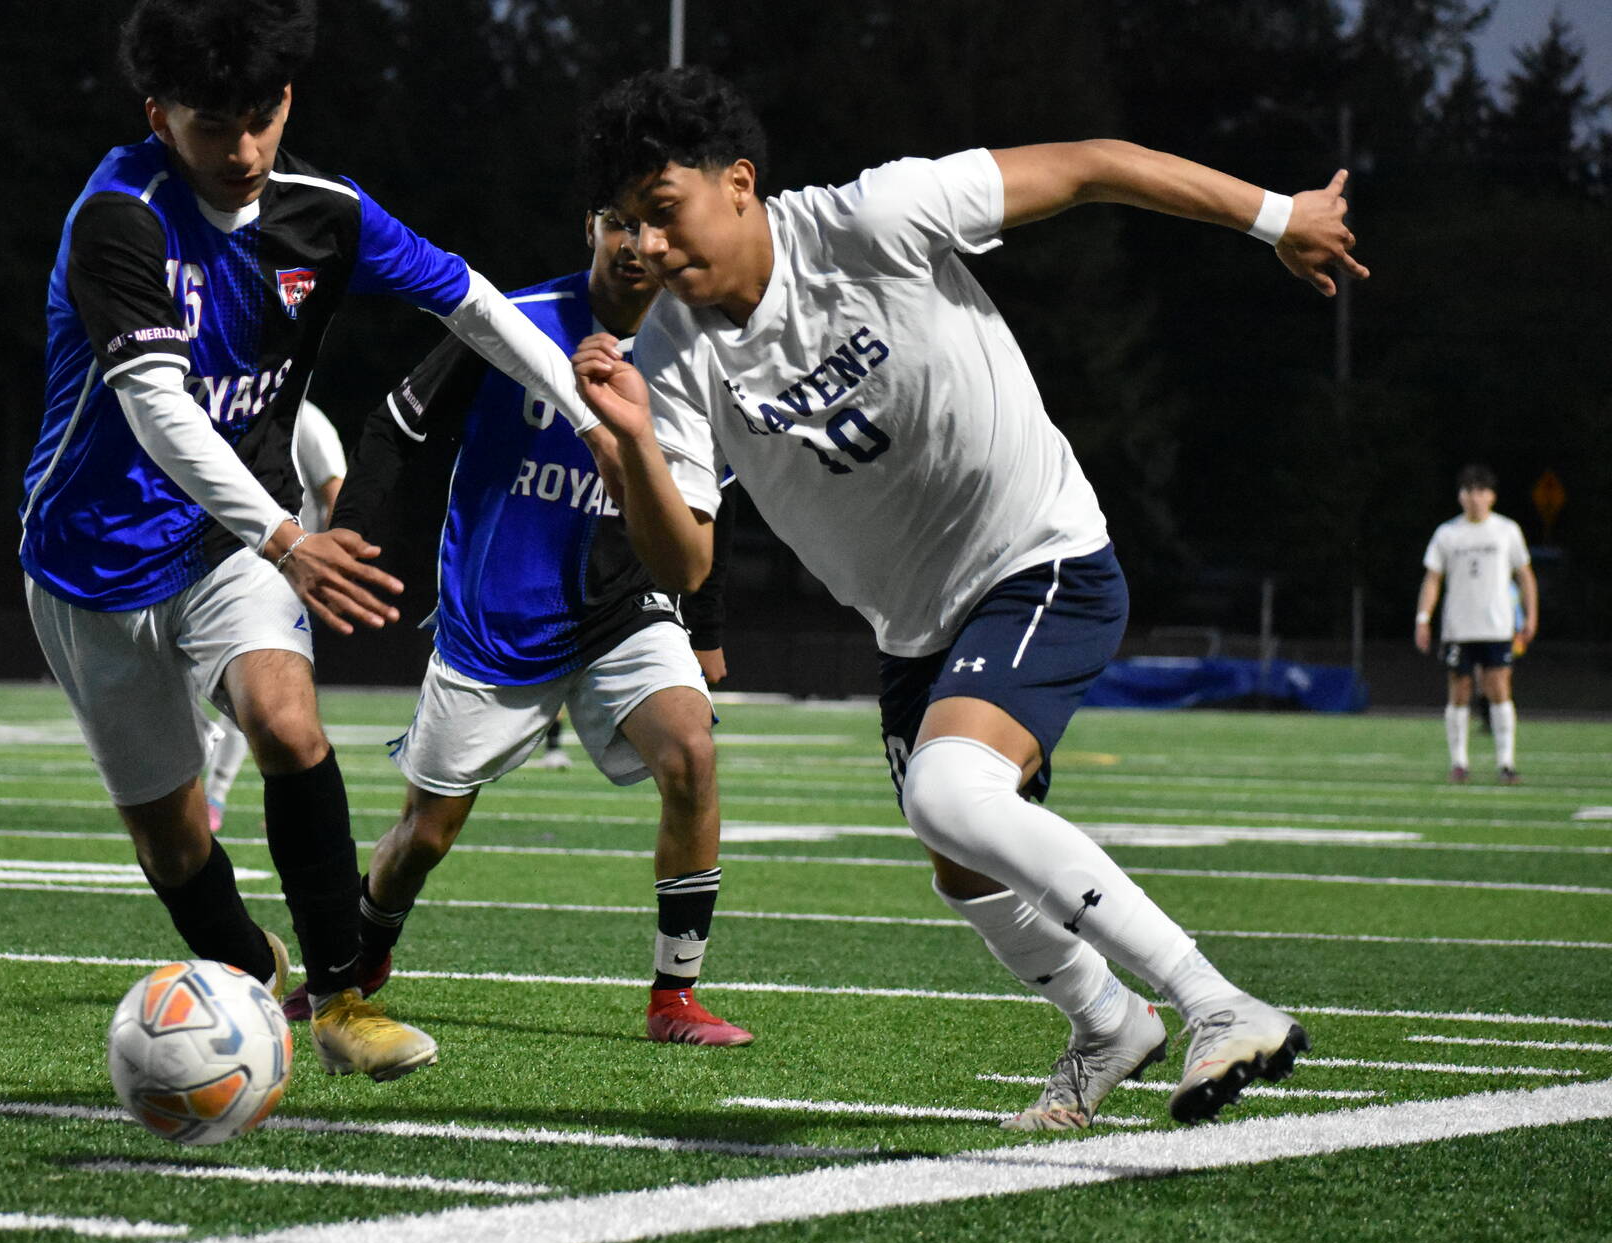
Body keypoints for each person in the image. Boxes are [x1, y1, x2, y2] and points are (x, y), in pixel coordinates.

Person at [570, 67, 1368, 1126]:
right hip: (915, 630)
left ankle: (1211, 1003)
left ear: (740, 184)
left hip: (1038, 558)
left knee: (948, 793)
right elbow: (684, 568)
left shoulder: (873, 219)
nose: (652, 248)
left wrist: (1275, 218)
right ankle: (1106, 1025)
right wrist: (627, 445)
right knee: (964, 864)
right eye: (630, 225)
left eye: (664, 213)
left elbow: (1087, 169)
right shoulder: (667, 354)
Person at [18, 0, 603, 1083]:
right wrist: (290, 536)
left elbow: (468, 300)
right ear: (158, 115)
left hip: (220, 545)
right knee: (174, 843)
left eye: (258, 118)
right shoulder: (118, 220)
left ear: (285, 100)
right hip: (88, 568)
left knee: (287, 724)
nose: (240, 151)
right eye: (208, 126)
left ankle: (340, 999)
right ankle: (251, 970)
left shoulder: (320, 212)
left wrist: (587, 413)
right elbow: (157, 407)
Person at [313, 208, 751, 1046]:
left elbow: (708, 498)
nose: (633, 245)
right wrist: (353, 530)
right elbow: (395, 426)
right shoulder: (512, 324)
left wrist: (705, 621)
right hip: (496, 614)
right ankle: (365, 956)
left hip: (624, 605)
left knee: (691, 750)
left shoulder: (697, 351)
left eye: (651, 226)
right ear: (589, 225)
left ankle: (674, 999)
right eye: (617, 223)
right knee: (426, 833)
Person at [203, 397, 346, 832]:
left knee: (259, 697)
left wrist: (330, 566)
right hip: (214, 561)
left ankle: (222, 794)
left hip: (282, 571)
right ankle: (276, 793)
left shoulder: (307, 419)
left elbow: (334, 494)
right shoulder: (224, 402)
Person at [1414, 465, 1538, 784]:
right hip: (1459, 627)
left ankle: (1506, 763)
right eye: (1468, 491)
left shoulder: (1506, 530)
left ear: (1492, 496)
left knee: (1499, 689)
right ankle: (1459, 763)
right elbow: (1432, 579)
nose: (1475, 498)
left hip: (1497, 626)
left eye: (1481, 491)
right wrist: (1423, 619)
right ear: (1460, 496)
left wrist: (1531, 616)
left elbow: (1525, 576)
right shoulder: (1447, 533)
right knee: (1460, 691)